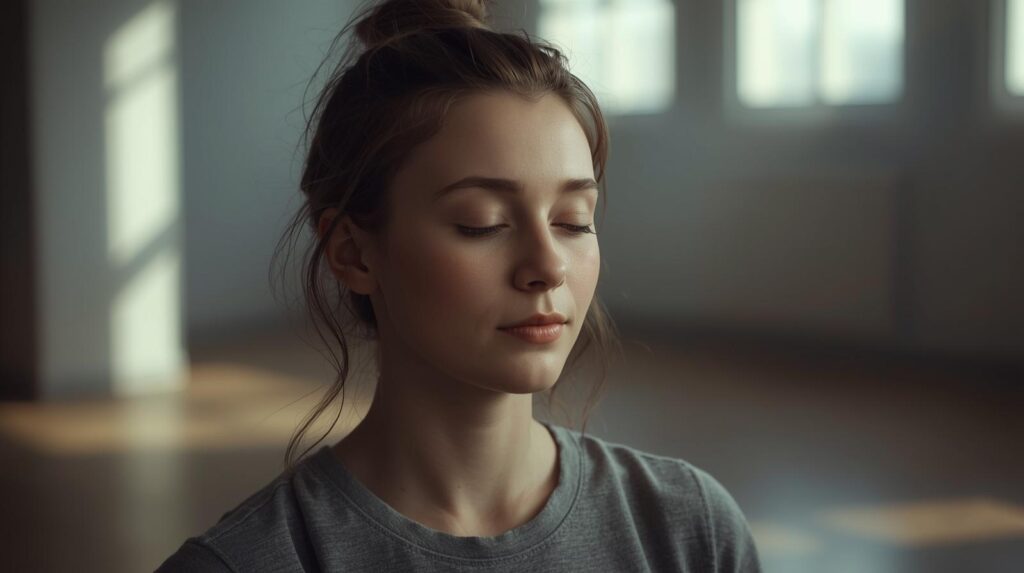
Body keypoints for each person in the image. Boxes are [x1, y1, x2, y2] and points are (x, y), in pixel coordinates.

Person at [157, 0, 762, 571]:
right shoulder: (251, 561)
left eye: (574, 221)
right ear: (352, 252)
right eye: (483, 224)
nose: (547, 266)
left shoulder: (690, 528)